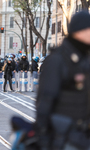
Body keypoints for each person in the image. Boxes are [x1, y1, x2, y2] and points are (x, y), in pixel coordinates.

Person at [36, 11, 90, 150]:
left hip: (82, 136)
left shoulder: (84, 59)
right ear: (80, 31)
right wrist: (43, 139)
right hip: (63, 137)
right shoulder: (58, 59)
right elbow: (45, 101)